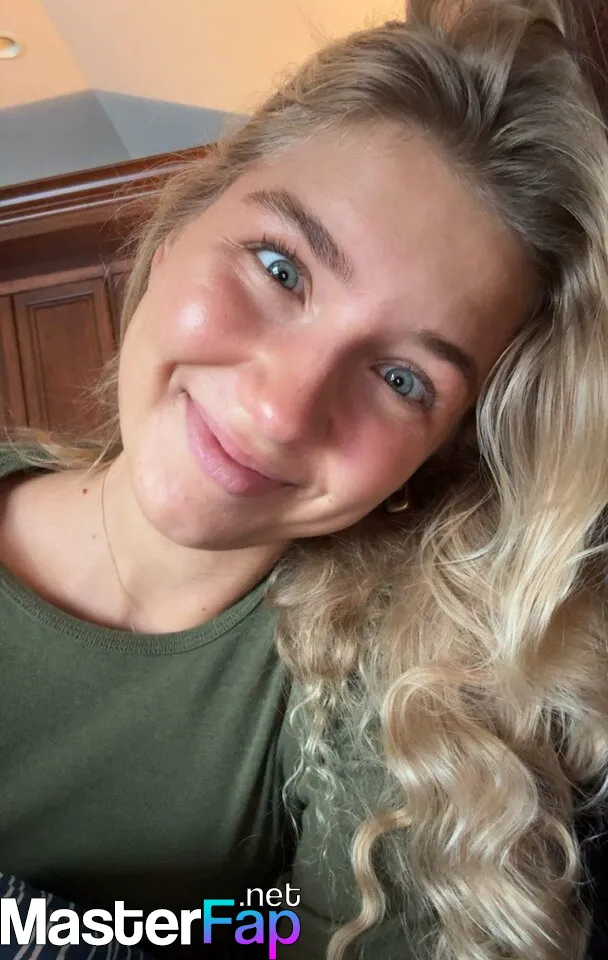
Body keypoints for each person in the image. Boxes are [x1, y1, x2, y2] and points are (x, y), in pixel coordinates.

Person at [1, 0, 608, 958]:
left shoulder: (403, 703)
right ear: (175, 237)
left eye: (402, 379)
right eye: (280, 268)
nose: (281, 411)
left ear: (431, 454)